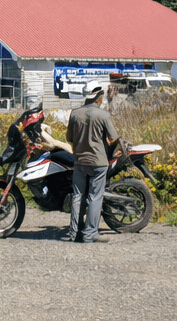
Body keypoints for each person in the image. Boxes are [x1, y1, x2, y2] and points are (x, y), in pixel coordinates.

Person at [62, 79, 119, 243]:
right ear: (99, 97)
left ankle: (74, 233)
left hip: (79, 162)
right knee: (95, 197)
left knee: (77, 196)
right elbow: (113, 137)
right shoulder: (103, 115)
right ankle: (90, 233)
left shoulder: (75, 113)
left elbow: (69, 138)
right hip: (99, 163)